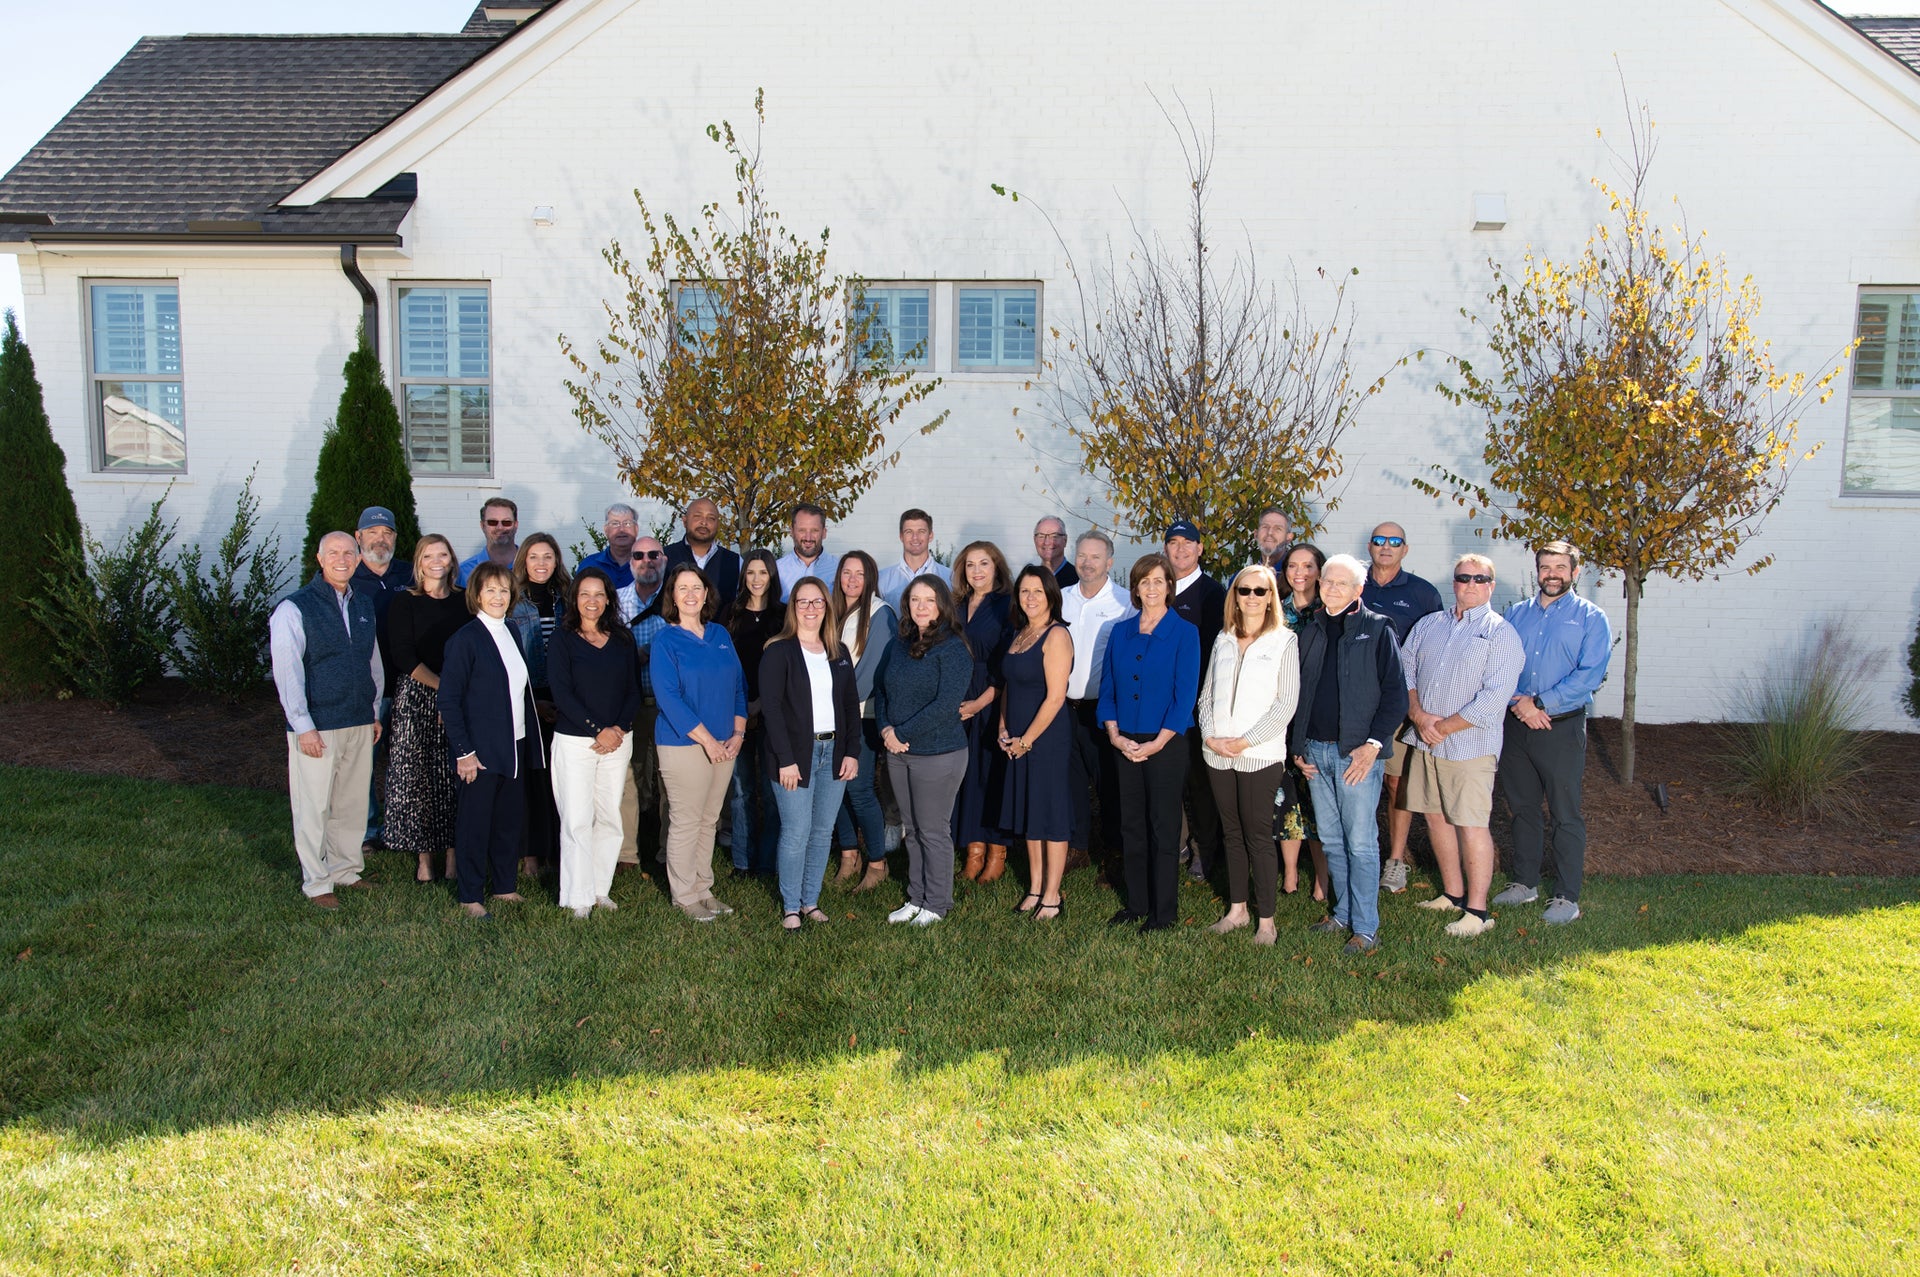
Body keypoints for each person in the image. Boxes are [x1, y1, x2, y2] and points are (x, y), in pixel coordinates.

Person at [1399, 554, 1528, 939]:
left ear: (1491, 584)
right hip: (1425, 739)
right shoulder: (1430, 625)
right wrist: (1420, 717)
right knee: (1436, 817)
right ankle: (1452, 895)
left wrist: (1443, 727)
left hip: (1469, 746)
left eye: (1479, 578)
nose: (1470, 584)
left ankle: (1477, 910)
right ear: (1453, 582)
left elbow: (1493, 699)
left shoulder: (1501, 634)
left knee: (1471, 824)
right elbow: (1404, 668)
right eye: (1463, 577)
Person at [1290, 553, 1407, 955]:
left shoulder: (1376, 630)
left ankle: (1366, 927)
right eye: (1327, 582)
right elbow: (1300, 694)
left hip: (1355, 755)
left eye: (1342, 583)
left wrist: (1373, 746)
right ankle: (1342, 913)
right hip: (1315, 755)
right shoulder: (1312, 630)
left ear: (1359, 589)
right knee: (1334, 842)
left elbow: (1395, 694)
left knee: (1360, 843)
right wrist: (1297, 748)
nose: (1332, 588)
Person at [1493, 542, 1611, 926]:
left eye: (1560, 567)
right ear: (1537, 570)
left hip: (1559, 727)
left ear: (1575, 572)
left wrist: (1540, 704)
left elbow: (1589, 674)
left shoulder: (1592, 618)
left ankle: (1566, 896)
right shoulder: (1516, 614)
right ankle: (1525, 884)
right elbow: (1501, 663)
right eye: (1545, 567)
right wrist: (1520, 704)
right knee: (1523, 808)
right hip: (1517, 724)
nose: (1552, 574)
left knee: (1565, 814)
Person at [270, 531, 383, 909]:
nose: (342, 558)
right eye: (333, 552)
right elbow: (287, 672)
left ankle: (346, 870)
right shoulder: (295, 608)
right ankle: (317, 883)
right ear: (319, 559)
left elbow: (373, 663)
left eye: (349, 553)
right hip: (317, 725)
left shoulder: (363, 604)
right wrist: (302, 725)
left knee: (350, 804)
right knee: (314, 806)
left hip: (357, 721)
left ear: (358, 558)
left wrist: (373, 710)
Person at [1198, 563, 1300, 946]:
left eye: (1261, 591)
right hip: (1218, 754)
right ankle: (1237, 910)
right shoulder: (1223, 638)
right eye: (1245, 590)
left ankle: (1266, 921)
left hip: (1259, 754)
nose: (1253, 598)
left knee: (1258, 835)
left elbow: (1285, 704)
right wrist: (1211, 737)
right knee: (1232, 833)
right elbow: (1206, 694)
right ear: (1235, 596)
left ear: (1272, 597)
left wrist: (1244, 741)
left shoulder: (1283, 641)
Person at [1099, 553, 1201, 934]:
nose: (1152, 588)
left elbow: (1184, 695)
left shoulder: (1184, 633)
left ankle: (1163, 912)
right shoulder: (1120, 632)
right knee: (1131, 826)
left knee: (1163, 826)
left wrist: (1157, 743)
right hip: (1124, 741)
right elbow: (1108, 688)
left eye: (1159, 581)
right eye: (1145, 582)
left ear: (1169, 587)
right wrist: (1114, 734)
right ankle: (1137, 904)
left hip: (1166, 743)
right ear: (1136, 588)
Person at [438, 562, 544, 918]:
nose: (498, 597)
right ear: (477, 595)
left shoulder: (512, 631)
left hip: (514, 744)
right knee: (474, 824)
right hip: (480, 751)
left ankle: (503, 887)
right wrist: (464, 753)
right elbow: (449, 700)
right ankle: (470, 896)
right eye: (490, 590)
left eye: (503, 590)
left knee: (508, 821)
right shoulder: (465, 639)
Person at [759, 576, 862, 929]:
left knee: (822, 831)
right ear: (793, 608)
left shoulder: (838, 652)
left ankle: (810, 901)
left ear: (827, 607)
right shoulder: (778, 650)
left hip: (833, 752)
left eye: (817, 602)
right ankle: (790, 906)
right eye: (803, 602)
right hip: (794, 756)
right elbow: (771, 710)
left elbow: (850, 707)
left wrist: (852, 752)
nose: (811, 608)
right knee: (796, 830)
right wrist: (786, 760)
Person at [649, 562, 748, 922]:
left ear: (707, 594)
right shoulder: (665, 640)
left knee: (709, 821)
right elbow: (669, 698)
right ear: (672, 597)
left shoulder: (720, 634)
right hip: (683, 744)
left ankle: (704, 888)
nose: (690, 594)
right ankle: (684, 895)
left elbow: (739, 687)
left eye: (697, 588)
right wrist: (708, 741)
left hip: (725, 744)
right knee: (687, 820)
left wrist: (737, 735)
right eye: (682, 588)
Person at [875, 576, 974, 926]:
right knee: (913, 829)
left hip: (938, 754)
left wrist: (900, 732)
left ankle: (937, 903)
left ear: (942, 604)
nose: (920, 606)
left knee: (933, 830)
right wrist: (886, 729)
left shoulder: (953, 649)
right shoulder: (899, 644)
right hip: (899, 751)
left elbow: (946, 705)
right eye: (914, 599)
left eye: (928, 600)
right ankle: (916, 898)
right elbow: (881, 690)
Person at [547, 567, 640, 920]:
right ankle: (577, 897)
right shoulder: (562, 639)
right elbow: (562, 693)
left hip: (618, 741)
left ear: (608, 599)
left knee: (609, 817)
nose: (592, 601)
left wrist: (618, 728)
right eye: (585, 594)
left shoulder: (622, 639)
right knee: (577, 819)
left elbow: (633, 688)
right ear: (575, 599)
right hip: (576, 742)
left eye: (599, 594)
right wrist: (596, 729)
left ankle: (600, 889)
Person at [1360, 521, 1446, 895]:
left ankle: (1394, 861)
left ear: (1405, 550)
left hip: (1395, 703)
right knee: (1352, 781)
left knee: (1396, 783)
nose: (1386, 546)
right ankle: (1354, 854)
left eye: (1395, 541)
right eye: (1379, 540)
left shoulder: (1422, 593)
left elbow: (1436, 650)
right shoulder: (1351, 582)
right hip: (1353, 701)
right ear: (1369, 546)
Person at [385, 534, 468, 884]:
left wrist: (453, 694)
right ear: (419, 562)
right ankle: (424, 860)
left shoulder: (466, 601)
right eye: (429, 555)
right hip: (417, 694)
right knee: (420, 779)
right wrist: (441, 688)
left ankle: (452, 856)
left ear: (451, 559)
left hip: (459, 695)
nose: (437, 561)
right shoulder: (403, 603)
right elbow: (403, 656)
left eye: (443, 554)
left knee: (454, 777)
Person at [998, 566, 1076, 921]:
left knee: (1051, 815)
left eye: (1037, 592)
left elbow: (1056, 698)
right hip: (1016, 738)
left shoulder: (1056, 636)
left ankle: (1053, 895)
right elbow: (1009, 686)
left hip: (1045, 740)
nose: (1030, 598)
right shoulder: (1020, 633)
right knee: (1030, 813)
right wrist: (1003, 728)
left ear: (1051, 597)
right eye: (1024, 591)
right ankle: (1034, 887)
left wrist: (1026, 740)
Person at [1060, 530, 1134, 877]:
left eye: (1095, 557)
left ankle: (1115, 855)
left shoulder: (1124, 604)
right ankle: (1078, 848)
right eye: (1082, 555)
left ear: (1109, 562)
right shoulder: (1059, 599)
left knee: (1110, 786)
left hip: (1102, 711)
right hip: (1063, 708)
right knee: (1070, 783)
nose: (1087, 563)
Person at [829, 549, 898, 892]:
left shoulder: (880, 614)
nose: (852, 579)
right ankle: (848, 854)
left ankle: (877, 862)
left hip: (862, 715)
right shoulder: (833, 611)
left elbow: (872, 672)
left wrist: (835, 703)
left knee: (857, 789)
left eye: (859, 573)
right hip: (831, 716)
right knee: (834, 789)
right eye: (846, 572)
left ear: (870, 577)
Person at [347, 505, 413, 852]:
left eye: (387, 532)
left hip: (406, 685)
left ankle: (399, 824)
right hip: (369, 690)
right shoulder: (348, 576)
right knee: (365, 763)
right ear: (359, 537)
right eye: (372, 533)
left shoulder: (409, 574)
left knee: (403, 762)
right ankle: (368, 829)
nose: (380, 538)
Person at [1165, 518, 1227, 883]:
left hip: (1199, 705)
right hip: (1163, 704)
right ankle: (1179, 843)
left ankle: (1206, 851)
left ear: (1200, 548)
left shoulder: (1213, 594)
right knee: (1170, 780)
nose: (1181, 548)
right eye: (1173, 542)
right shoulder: (1158, 588)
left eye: (1188, 542)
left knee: (1201, 785)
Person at [951, 540, 1015, 883]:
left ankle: (996, 852)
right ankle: (973, 852)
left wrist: (982, 701)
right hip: (958, 697)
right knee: (966, 778)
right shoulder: (956, 604)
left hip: (992, 697)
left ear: (996, 568)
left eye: (984, 564)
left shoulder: (1007, 605)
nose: (976, 571)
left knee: (991, 777)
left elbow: (1008, 661)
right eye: (970, 564)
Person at [508, 533, 569, 877]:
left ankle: (557, 852)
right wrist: (536, 701)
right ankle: (530, 854)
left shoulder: (568, 598)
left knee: (558, 779)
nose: (541, 563)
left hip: (562, 698)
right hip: (527, 696)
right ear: (523, 561)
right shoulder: (513, 601)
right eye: (534, 557)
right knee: (531, 777)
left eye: (548, 556)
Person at [726, 549, 786, 878]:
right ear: (743, 577)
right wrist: (741, 709)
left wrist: (760, 705)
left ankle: (768, 860)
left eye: (763, 572)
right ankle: (743, 861)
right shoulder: (730, 615)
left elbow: (788, 670)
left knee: (773, 790)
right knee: (741, 791)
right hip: (735, 716)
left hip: (772, 716)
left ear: (772, 576)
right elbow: (723, 667)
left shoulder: (783, 616)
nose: (757, 579)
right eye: (751, 572)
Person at [1278, 543, 1328, 900]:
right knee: (1285, 798)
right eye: (1293, 566)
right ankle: (1291, 874)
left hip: (1317, 715)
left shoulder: (1329, 612)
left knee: (1318, 801)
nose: (1300, 573)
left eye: (1308, 566)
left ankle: (1321, 880)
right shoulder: (1274, 611)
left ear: (1319, 572)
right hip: (1282, 715)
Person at [664, 496, 742, 612]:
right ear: (685, 521)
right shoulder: (664, 557)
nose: (704, 523)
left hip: (720, 629)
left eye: (711, 518)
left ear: (718, 525)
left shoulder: (734, 561)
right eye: (697, 516)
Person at [877, 508, 948, 612]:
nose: (915, 537)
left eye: (921, 531)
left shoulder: (949, 578)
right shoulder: (881, 579)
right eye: (909, 532)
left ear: (931, 535)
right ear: (901, 536)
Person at [776, 503, 839, 601]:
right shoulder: (777, 570)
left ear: (824, 533)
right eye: (802, 530)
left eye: (814, 531)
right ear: (791, 532)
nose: (808, 538)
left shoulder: (839, 569)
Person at [575, 503, 640, 593]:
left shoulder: (649, 565)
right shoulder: (589, 565)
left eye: (627, 523)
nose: (621, 529)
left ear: (636, 529)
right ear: (606, 530)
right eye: (615, 524)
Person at [456, 497, 519, 587]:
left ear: (515, 525)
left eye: (506, 522)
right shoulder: (463, 572)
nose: (500, 527)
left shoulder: (532, 567)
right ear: (482, 525)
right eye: (492, 522)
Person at [618, 535, 667, 623]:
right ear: (630, 562)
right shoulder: (615, 601)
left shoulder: (679, 600)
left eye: (653, 555)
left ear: (665, 561)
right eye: (638, 555)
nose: (646, 560)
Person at [1033, 515, 1078, 589]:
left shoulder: (1078, 581)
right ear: (1035, 540)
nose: (1047, 542)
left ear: (1065, 540)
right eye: (1041, 536)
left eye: (1054, 536)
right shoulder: (1029, 580)